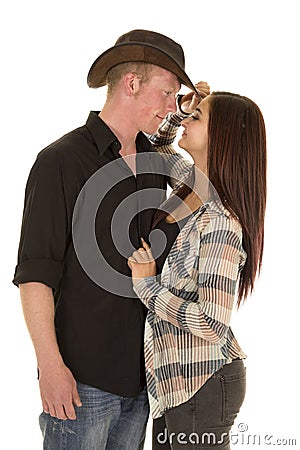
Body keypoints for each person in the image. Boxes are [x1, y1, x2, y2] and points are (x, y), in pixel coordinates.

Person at [12, 29, 207, 449]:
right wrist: (50, 365)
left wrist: (190, 117)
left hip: (142, 383)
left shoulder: (159, 163)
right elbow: (35, 274)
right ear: (132, 85)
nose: (172, 107)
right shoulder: (60, 160)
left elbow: (199, 192)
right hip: (81, 382)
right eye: (168, 94)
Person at [128, 90, 267, 449]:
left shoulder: (221, 223)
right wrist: (179, 110)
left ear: (223, 136)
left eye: (198, 117)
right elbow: (155, 150)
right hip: (177, 383)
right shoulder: (195, 189)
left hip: (202, 383)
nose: (188, 121)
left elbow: (211, 323)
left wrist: (148, 287)